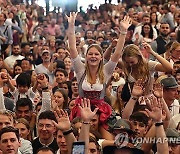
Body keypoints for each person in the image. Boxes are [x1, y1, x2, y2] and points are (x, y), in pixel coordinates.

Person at [67, 12, 132, 140]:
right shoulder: (80, 70)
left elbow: (118, 53)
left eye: (96, 54)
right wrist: (71, 25)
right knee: (80, 140)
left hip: (101, 112)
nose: (93, 56)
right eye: (90, 54)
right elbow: (73, 49)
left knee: (109, 141)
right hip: (81, 110)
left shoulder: (106, 71)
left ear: (101, 57)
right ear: (85, 57)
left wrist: (123, 31)